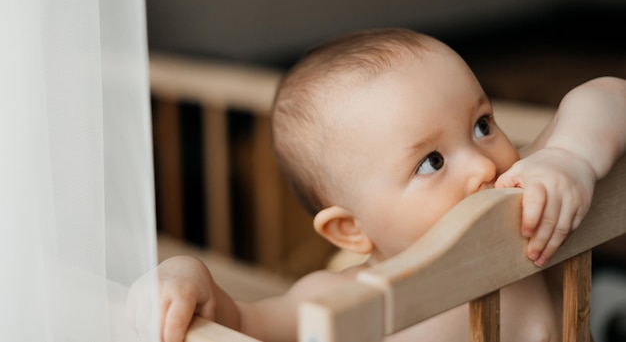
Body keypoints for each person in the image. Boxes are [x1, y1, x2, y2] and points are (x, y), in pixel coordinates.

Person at [128, 28, 626, 342]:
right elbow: (243, 325)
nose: (480, 166)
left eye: (481, 125)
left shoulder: (530, 199)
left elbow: (608, 95)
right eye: (431, 162)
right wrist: (192, 279)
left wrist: (569, 157)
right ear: (350, 230)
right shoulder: (348, 299)